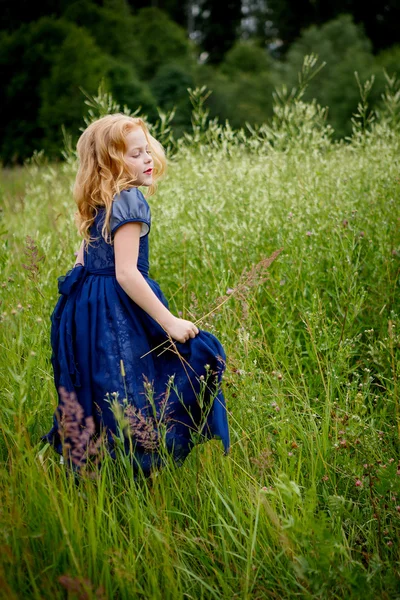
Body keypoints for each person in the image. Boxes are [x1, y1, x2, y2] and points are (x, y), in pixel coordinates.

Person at [41, 113, 230, 477]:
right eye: (135, 154)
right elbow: (126, 273)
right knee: (136, 380)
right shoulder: (129, 201)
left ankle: (88, 460)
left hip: (84, 305)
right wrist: (169, 320)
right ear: (110, 163)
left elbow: (81, 262)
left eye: (147, 150)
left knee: (101, 381)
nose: (147, 159)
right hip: (118, 306)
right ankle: (138, 467)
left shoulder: (100, 201)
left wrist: (79, 308)